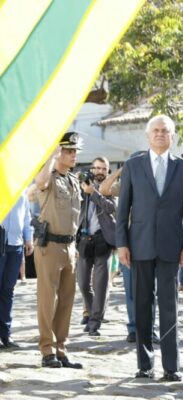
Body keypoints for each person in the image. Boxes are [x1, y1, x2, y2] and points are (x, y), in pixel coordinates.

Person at [116, 115, 183, 381]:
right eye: (156, 130)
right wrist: (122, 243)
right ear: (148, 135)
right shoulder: (133, 165)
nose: (160, 134)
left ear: (172, 136)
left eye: (165, 130)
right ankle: (145, 365)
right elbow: (123, 208)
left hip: (171, 246)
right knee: (142, 305)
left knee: (169, 306)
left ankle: (171, 367)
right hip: (139, 245)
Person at [34, 131, 83, 369]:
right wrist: (51, 157)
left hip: (70, 246)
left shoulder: (73, 180)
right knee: (48, 299)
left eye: (75, 151)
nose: (74, 155)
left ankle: (61, 349)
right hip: (50, 246)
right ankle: (47, 350)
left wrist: (75, 246)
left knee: (66, 300)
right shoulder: (49, 177)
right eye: (69, 151)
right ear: (59, 152)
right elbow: (40, 183)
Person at [100, 163, 159, 344]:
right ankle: (134, 328)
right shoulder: (128, 182)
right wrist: (121, 170)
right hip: (130, 245)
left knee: (151, 289)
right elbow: (104, 189)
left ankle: (149, 329)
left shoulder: (158, 181)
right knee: (132, 290)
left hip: (153, 243)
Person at [76, 157, 116, 337]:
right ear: (92, 170)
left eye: (104, 169)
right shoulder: (83, 187)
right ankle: (92, 312)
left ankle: (94, 322)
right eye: (97, 168)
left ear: (108, 171)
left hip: (103, 241)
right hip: (84, 240)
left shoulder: (111, 187)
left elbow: (111, 208)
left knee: (100, 286)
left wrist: (94, 193)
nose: (100, 171)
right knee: (83, 283)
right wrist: (83, 187)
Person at [0, 192, 33, 348]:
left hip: (16, 245)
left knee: (8, 291)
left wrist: (28, 238)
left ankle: (6, 334)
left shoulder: (21, 192)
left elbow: (26, 217)